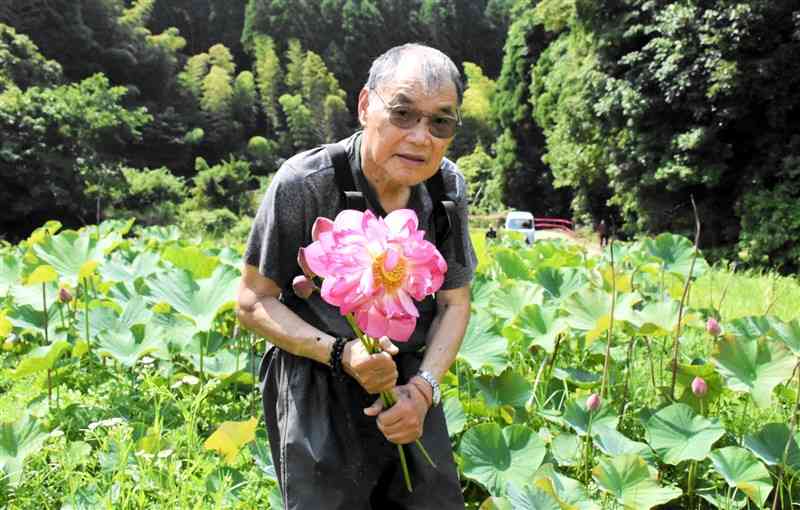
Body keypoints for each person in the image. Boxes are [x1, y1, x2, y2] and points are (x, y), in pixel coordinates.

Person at [237, 43, 477, 509]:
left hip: (409, 380)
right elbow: (252, 301)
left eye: (440, 122)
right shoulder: (303, 183)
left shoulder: (447, 188)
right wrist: (343, 354)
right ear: (366, 106)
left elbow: (454, 302)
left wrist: (424, 391)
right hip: (316, 376)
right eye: (403, 113)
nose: (421, 136)